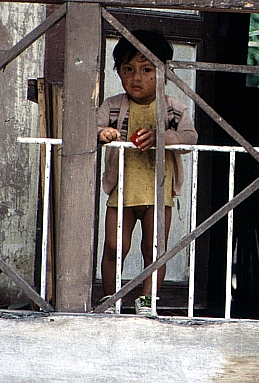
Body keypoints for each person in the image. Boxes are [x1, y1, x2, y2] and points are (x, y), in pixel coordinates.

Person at [97, 29, 198, 315]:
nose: (136, 78)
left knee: (153, 250)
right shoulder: (112, 106)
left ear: (164, 72)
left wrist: (163, 137)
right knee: (114, 247)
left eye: (146, 69)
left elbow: (190, 138)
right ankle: (110, 299)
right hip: (122, 190)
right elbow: (91, 129)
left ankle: (147, 301)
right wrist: (103, 132)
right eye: (128, 69)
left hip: (159, 191)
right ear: (117, 72)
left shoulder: (174, 109)